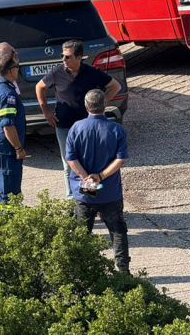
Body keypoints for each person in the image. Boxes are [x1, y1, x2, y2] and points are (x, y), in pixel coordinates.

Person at [36, 39, 122, 199]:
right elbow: (39, 87)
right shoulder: (57, 72)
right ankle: (72, 199)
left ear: (79, 57)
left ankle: (88, 197)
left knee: (87, 163)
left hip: (87, 128)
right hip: (64, 127)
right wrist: (46, 111)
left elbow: (115, 86)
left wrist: (101, 103)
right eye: (62, 56)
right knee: (69, 164)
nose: (63, 60)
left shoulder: (92, 72)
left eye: (67, 57)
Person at [65, 89, 131, 273]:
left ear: (86, 107)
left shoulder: (76, 128)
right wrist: (100, 176)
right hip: (109, 192)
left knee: (82, 234)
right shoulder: (116, 129)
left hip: (84, 192)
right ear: (105, 105)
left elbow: (71, 159)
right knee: (117, 231)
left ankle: (81, 270)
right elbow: (121, 159)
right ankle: (123, 270)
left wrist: (86, 177)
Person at [0, 45, 26, 207]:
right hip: (7, 150)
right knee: (10, 193)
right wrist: (19, 148)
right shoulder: (7, 93)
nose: (18, 70)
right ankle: (9, 223)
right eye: (17, 67)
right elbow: (8, 126)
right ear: (10, 70)